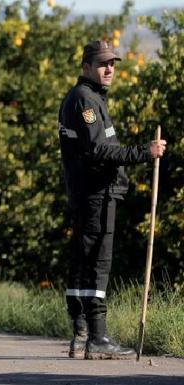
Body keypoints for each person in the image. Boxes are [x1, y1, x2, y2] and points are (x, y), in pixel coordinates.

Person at [58, 40, 166, 360]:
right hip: (96, 193)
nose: (109, 69)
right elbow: (98, 151)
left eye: (113, 64)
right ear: (86, 67)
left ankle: (80, 335)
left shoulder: (89, 98)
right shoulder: (84, 100)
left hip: (89, 192)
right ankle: (98, 338)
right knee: (96, 266)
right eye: (103, 63)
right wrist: (143, 153)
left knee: (83, 262)